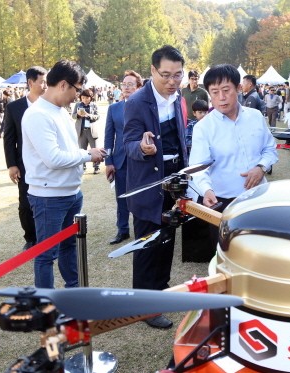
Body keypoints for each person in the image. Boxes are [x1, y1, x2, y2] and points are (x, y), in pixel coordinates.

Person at [22, 59, 105, 289]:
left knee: (69, 247)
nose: (78, 96)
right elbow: (54, 159)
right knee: (46, 255)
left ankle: (73, 295)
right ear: (62, 84)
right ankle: (46, 306)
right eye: (77, 90)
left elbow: (67, 150)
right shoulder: (38, 115)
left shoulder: (59, 111)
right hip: (49, 197)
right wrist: (88, 155)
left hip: (70, 193)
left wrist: (86, 154)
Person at [123, 45, 188, 329]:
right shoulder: (137, 102)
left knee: (167, 240)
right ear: (152, 71)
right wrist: (143, 147)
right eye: (166, 75)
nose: (172, 81)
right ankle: (145, 306)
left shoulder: (177, 98)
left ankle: (160, 292)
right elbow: (128, 144)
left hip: (174, 181)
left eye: (178, 75)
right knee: (148, 245)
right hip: (149, 185)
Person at [189, 64, 278, 249]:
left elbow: (270, 149)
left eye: (226, 90)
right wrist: (206, 190)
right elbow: (197, 168)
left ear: (238, 88)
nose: (221, 97)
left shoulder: (255, 117)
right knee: (227, 256)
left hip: (258, 198)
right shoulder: (203, 128)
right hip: (223, 203)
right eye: (214, 92)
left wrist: (261, 167)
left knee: (260, 252)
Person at [2, 66, 48, 251]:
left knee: (49, 201)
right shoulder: (14, 107)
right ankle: (31, 238)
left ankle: (49, 237)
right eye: (42, 81)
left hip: (48, 163)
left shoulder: (51, 105)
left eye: (47, 81)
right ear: (30, 82)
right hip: (24, 166)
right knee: (25, 203)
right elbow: (9, 138)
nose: (45, 85)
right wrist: (12, 165)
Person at [104, 70, 143, 245]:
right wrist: (108, 161)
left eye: (130, 85)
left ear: (138, 87)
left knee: (141, 196)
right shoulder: (113, 109)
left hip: (141, 159)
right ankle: (123, 230)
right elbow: (108, 137)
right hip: (120, 160)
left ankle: (142, 230)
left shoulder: (145, 107)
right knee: (121, 197)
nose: (126, 88)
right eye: (124, 84)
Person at [72, 89, 101, 174]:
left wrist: (88, 115)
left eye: (87, 98)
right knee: (82, 150)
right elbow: (73, 115)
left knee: (95, 149)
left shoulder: (94, 105)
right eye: (83, 97)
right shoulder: (77, 105)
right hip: (81, 131)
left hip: (92, 131)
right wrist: (78, 115)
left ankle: (96, 167)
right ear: (81, 98)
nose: (85, 99)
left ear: (91, 98)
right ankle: (83, 167)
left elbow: (97, 116)